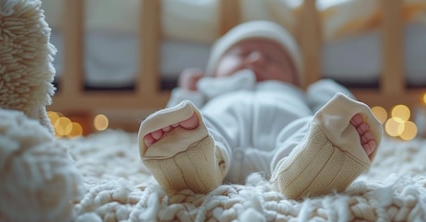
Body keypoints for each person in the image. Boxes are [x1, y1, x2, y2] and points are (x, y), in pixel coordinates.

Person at [137, 20, 383, 199]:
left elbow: (335, 112)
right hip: (218, 153)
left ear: (293, 79)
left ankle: (315, 162)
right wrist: (188, 93)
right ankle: (189, 154)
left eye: (273, 59)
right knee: (199, 123)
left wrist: (331, 104)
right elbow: (174, 116)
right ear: (214, 71)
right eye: (241, 54)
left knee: (307, 128)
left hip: (289, 155)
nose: (256, 59)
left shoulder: (296, 94)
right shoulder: (212, 90)